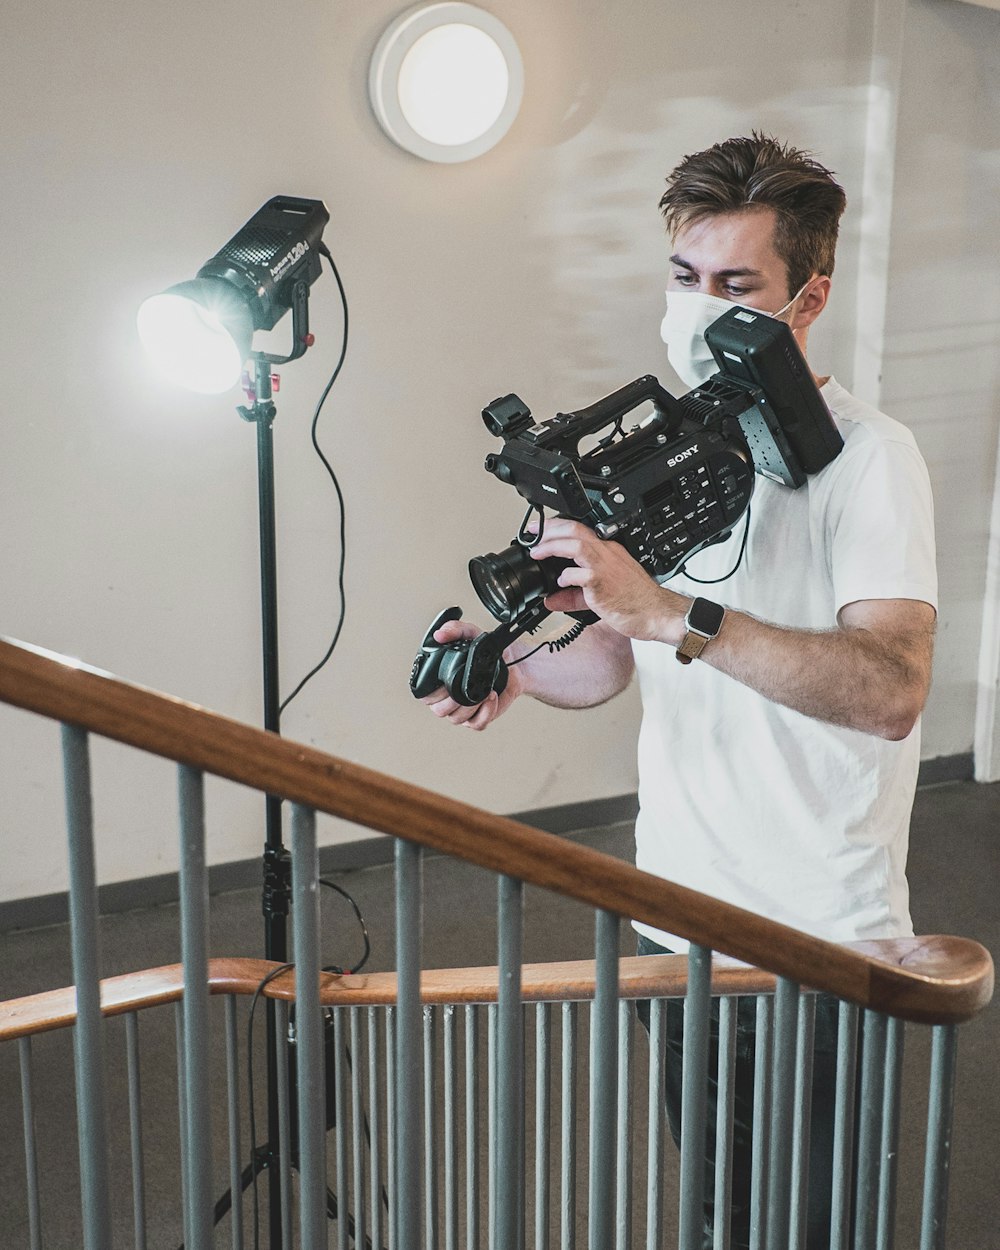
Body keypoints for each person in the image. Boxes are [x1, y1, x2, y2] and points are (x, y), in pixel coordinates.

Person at [420, 133, 937, 1249]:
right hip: (682, 917)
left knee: (811, 1225)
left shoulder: (869, 460)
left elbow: (893, 689)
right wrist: (509, 660)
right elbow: (605, 660)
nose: (699, 309)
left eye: (735, 285)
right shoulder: (647, 450)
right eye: (683, 278)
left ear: (809, 296)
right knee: (715, 1213)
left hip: (821, 934)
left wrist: (674, 613)